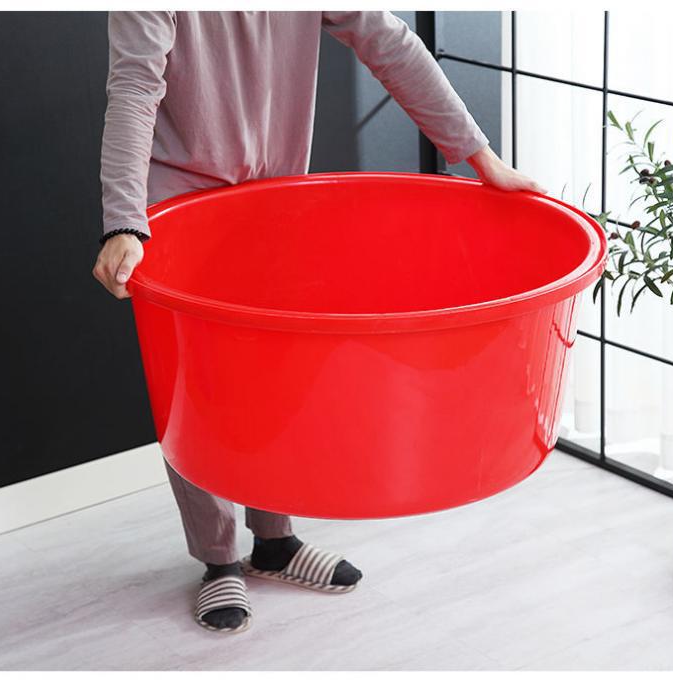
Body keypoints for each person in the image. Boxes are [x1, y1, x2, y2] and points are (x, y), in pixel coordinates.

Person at [93, 10, 545, 635]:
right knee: (199, 384)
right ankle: (218, 559)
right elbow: (136, 85)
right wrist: (123, 220)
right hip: (180, 200)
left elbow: (388, 41)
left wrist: (477, 154)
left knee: (276, 370)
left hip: (275, 195)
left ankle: (275, 542)